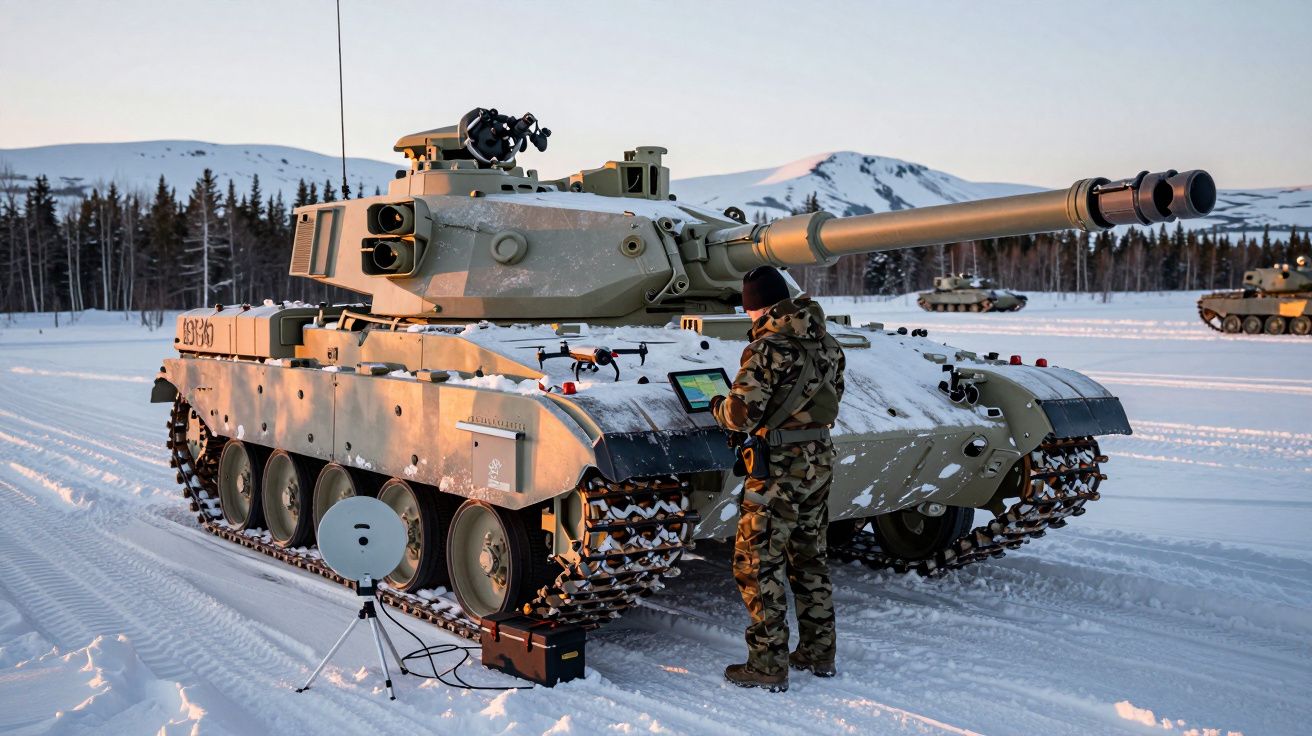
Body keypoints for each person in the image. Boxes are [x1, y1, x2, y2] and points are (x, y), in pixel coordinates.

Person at [710, 265, 846, 693]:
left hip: (779, 466)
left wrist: (717, 404)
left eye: (749, 310)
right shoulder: (828, 342)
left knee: (756, 561)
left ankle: (768, 664)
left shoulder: (768, 348)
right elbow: (835, 394)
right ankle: (818, 652)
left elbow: (740, 415)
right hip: (818, 458)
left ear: (757, 306)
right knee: (809, 556)